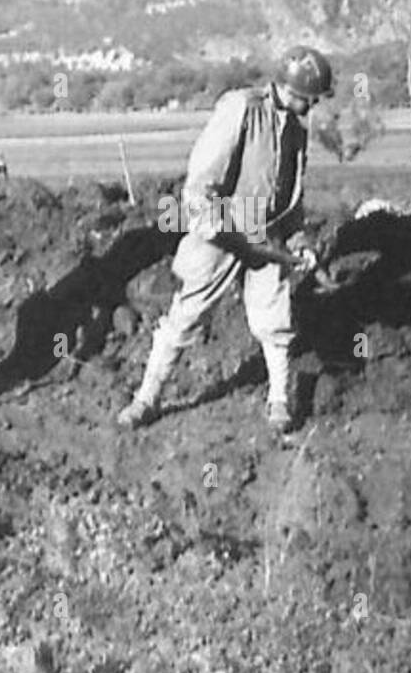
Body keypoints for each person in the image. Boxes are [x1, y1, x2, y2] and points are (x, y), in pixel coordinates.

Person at [117, 46, 333, 433]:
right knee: (184, 316)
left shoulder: (297, 130)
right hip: (222, 228)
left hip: (266, 234)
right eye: (310, 97)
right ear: (291, 88)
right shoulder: (241, 109)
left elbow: (291, 199)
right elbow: (202, 179)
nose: (314, 104)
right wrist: (213, 224)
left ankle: (279, 401)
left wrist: (299, 241)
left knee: (275, 322)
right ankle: (146, 399)